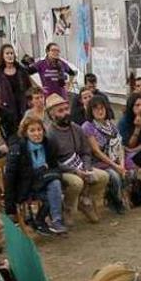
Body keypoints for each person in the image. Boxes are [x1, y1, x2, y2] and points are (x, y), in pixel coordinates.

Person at [45, 93, 110, 225]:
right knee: (76, 182)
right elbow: (52, 162)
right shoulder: (49, 134)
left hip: (80, 165)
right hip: (61, 169)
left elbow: (85, 151)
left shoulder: (76, 128)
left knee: (103, 176)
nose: (65, 113)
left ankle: (85, 200)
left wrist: (86, 167)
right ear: (52, 115)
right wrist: (76, 171)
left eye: (66, 109)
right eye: (60, 111)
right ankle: (67, 209)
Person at [6, 116, 67, 235]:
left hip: (44, 182)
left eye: (39, 130)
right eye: (32, 130)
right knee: (51, 194)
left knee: (55, 183)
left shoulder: (48, 145)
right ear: (25, 133)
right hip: (25, 187)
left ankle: (55, 221)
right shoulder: (18, 149)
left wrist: (45, 171)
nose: (37, 134)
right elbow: (10, 176)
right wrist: (10, 207)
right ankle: (39, 221)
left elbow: (55, 167)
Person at [81, 96, 129, 214]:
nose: (100, 111)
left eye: (102, 108)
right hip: (96, 162)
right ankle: (115, 201)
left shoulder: (111, 125)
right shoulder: (88, 126)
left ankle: (115, 197)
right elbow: (96, 152)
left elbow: (120, 146)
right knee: (114, 175)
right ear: (91, 111)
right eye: (95, 109)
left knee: (129, 173)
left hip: (113, 159)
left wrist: (121, 164)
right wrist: (116, 166)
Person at [0, 44, 33, 123]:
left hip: (22, 106)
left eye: (11, 53)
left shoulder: (21, 70)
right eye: (7, 53)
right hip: (6, 106)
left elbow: (29, 87)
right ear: (2, 56)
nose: (10, 56)